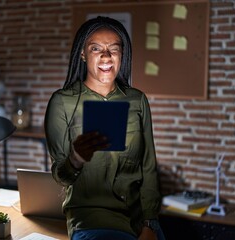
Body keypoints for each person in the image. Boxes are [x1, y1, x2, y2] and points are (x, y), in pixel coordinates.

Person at [44, 16, 164, 240]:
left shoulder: (137, 100)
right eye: (96, 48)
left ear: (122, 55)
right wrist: (76, 160)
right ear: (82, 54)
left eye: (113, 49)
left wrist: (150, 223)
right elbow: (61, 175)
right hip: (92, 218)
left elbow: (148, 167)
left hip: (138, 218)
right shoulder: (62, 102)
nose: (106, 56)